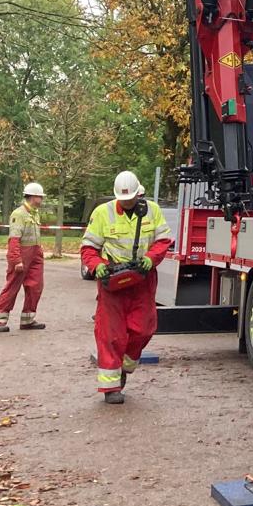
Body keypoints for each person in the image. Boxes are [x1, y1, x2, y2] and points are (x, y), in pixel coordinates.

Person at [80, 171, 172, 404]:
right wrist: (97, 266)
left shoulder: (152, 211)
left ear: (138, 194)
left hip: (142, 279)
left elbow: (163, 240)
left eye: (130, 198)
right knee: (110, 333)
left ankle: (125, 366)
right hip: (113, 281)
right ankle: (111, 387)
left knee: (144, 329)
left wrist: (151, 257)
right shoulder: (103, 213)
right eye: (123, 199)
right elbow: (88, 248)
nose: (127, 202)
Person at [0, 182, 47, 332]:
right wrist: (16, 260)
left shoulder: (34, 213)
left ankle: (27, 320)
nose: (42, 199)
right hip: (22, 254)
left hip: (35, 254)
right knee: (12, 287)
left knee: (35, 287)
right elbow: (14, 239)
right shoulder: (19, 214)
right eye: (40, 197)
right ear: (33, 197)